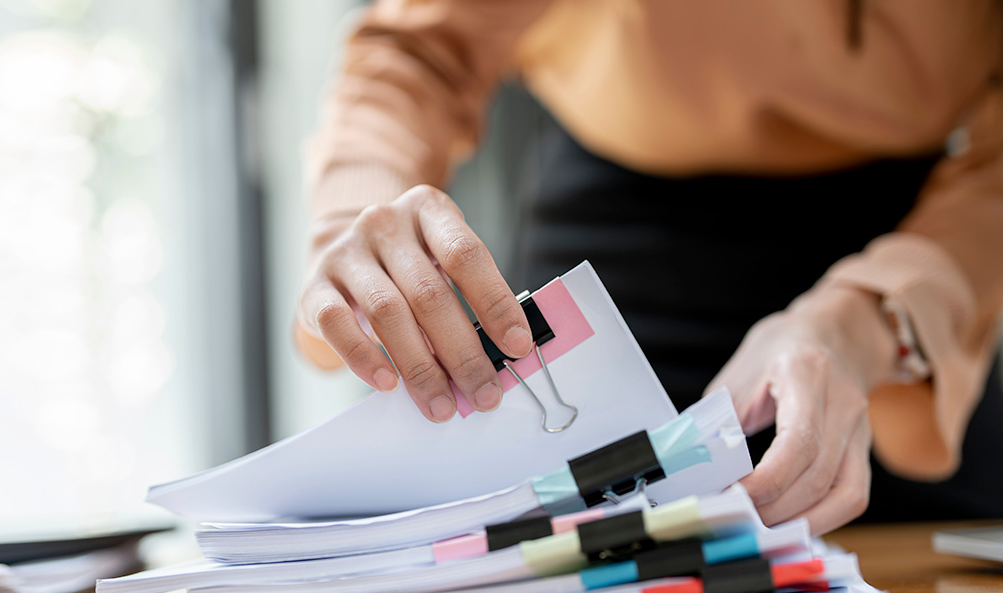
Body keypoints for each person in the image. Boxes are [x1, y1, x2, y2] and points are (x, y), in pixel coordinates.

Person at [292, 0, 1003, 534]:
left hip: (924, 267)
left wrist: (871, 323)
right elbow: (421, 51)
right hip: (614, 250)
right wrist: (351, 218)